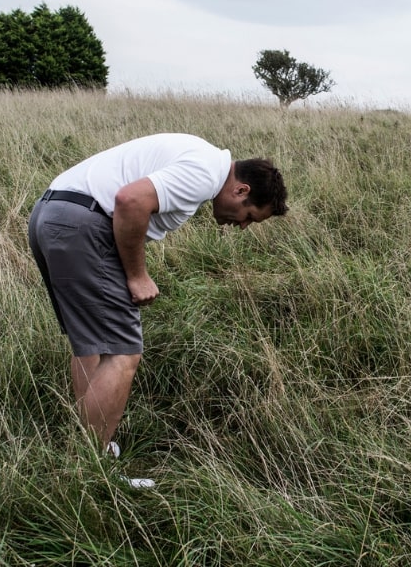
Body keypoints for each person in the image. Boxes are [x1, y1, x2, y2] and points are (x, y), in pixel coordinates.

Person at [27, 133, 288, 486]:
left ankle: (88, 457)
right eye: (249, 217)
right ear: (241, 190)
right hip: (83, 224)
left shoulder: (201, 157)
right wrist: (137, 276)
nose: (241, 226)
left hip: (52, 213)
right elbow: (130, 200)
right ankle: (88, 474)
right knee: (123, 353)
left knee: (93, 344)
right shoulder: (205, 172)